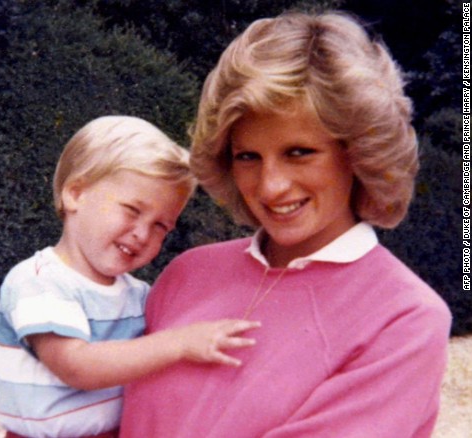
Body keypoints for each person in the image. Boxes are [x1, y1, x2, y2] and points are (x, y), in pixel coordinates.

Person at [120, 11, 453, 438]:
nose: (271, 186)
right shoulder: (187, 274)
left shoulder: (405, 319)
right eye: (248, 157)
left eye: (299, 152)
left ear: (358, 152)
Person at [0, 115, 260, 438]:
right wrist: (180, 343)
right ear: (75, 193)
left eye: (161, 226)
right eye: (132, 210)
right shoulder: (37, 282)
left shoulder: (138, 295)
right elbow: (76, 366)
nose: (142, 233)